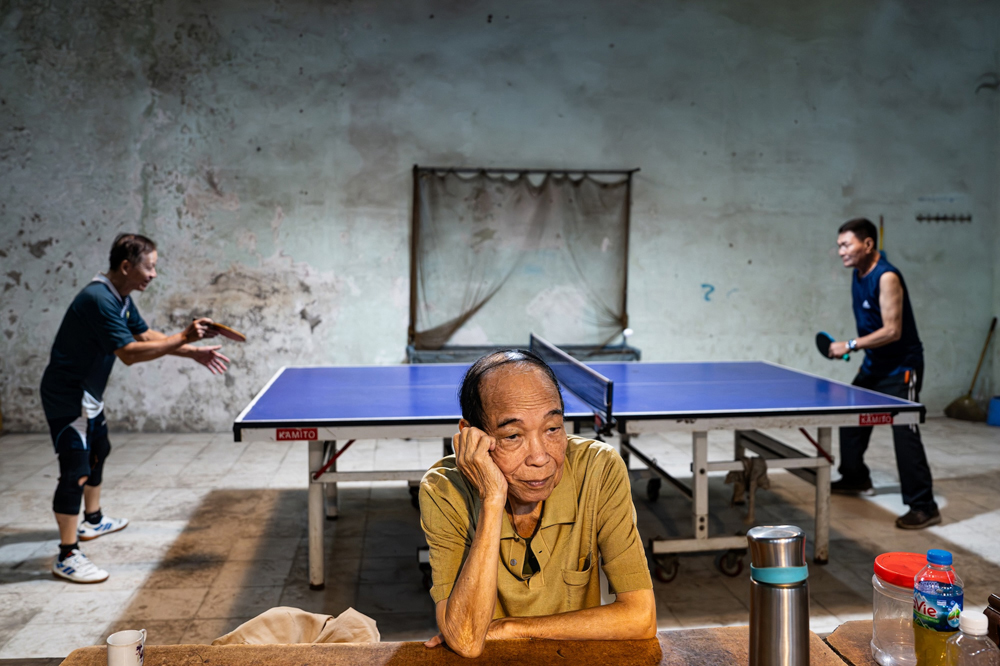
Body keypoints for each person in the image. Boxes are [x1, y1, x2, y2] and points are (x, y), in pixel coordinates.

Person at [418, 350, 656, 658]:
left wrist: (512, 627)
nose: (541, 457)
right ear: (472, 437)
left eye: (553, 429)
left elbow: (640, 617)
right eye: (513, 435)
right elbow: (466, 640)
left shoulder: (598, 469)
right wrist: (491, 500)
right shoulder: (444, 491)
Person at [40, 233, 230, 583]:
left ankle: (92, 520)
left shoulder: (119, 296)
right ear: (126, 266)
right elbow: (128, 353)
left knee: (100, 449)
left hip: (88, 393)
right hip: (68, 396)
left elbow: (144, 337)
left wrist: (193, 352)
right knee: (75, 471)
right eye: (150, 266)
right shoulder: (99, 299)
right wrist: (185, 338)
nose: (154, 274)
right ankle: (67, 554)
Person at [829, 218, 940, 529]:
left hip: (902, 367)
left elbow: (892, 330)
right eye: (839, 245)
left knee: (904, 433)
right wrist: (855, 348)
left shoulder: (887, 276)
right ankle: (854, 477)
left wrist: (849, 345)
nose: (841, 251)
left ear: (867, 244)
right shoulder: (858, 273)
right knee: (850, 415)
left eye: (846, 244)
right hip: (874, 365)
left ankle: (924, 505)